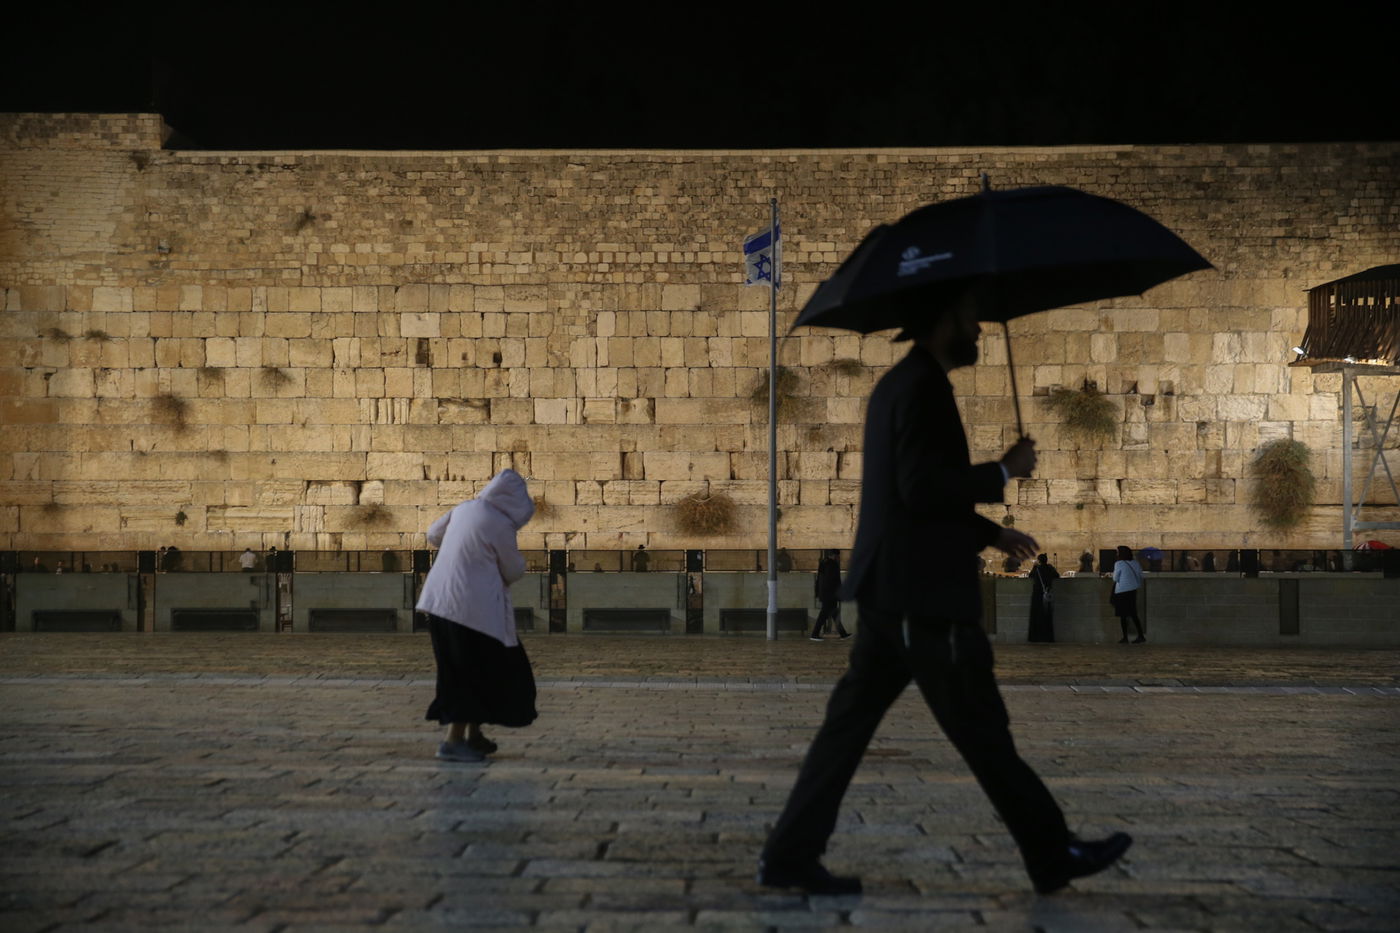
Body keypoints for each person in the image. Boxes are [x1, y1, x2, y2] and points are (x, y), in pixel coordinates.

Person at [757, 300, 1131, 897]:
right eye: (969, 318)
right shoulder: (921, 388)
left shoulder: (903, 385)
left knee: (852, 731)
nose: (979, 328)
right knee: (982, 729)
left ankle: (789, 855)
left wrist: (990, 533)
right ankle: (1050, 851)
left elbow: (916, 491)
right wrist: (1004, 472)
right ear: (941, 321)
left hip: (897, 591)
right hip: (921, 597)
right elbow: (923, 487)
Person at [418, 469, 538, 763]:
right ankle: (453, 742)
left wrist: (462, 547)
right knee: (470, 671)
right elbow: (512, 570)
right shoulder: (500, 523)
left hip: (438, 601)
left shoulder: (464, 509)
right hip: (471, 608)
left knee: (469, 668)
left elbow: (433, 534)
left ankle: (473, 735)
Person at [809, 549, 851, 641]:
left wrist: (818, 592)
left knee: (834, 613)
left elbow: (819, 580)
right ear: (835, 556)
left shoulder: (823, 563)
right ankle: (814, 634)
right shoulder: (833, 565)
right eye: (838, 556)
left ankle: (843, 634)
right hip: (830, 595)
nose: (839, 558)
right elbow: (833, 581)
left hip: (825, 594)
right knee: (824, 614)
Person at [1110, 545, 1146, 644]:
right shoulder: (1135, 563)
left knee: (1123, 615)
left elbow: (1115, 578)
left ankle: (1125, 637)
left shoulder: (1119, 563)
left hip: (1122, 591)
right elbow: (1140, 576)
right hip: (1132, 591)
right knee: (1134, 614)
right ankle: (1141, 635)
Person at [1028, 553, 1058, 643]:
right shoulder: (1050, 568)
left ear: (1039, 560)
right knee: (1047, 616)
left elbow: (1030, 576)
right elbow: (1057, 576)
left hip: (1038, 595)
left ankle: (1037, 637)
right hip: (1047, 592)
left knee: (1037, 616)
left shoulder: (1037, 569)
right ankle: (1047, 637)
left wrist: (1034, 566)